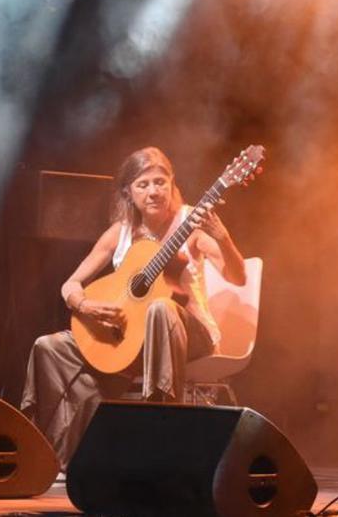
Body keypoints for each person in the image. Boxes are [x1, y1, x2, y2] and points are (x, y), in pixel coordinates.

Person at [21, 146, 246, 468]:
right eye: (143, 184)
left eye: (160, 182)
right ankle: (57, 457)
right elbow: (69, 285)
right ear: (128, 191)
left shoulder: (192, 223)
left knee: (159, 309)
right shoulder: (119, 233)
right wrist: (84, 305)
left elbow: (237, 277)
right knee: (49, 347)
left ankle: (158, 438)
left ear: (171, 184)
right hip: (132, 340)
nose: (154, 191)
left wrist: (223, 237)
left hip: (189, 335)